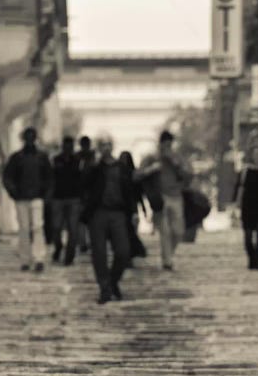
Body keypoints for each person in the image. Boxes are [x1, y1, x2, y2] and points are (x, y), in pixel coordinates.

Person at [81, 133, 137, 304]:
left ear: (112, 146)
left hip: (118, 213)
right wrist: (92, 164)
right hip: (98, 213)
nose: (105, 148)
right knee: (99, 253)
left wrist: (134, 212)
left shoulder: (122, 167)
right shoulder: (95, 167)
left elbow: (130, 191)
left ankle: (113, 281)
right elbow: (83, 184)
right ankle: (104, 287)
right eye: (102, 145)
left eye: (108, 145)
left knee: (123, 251)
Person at [135, 130, 192, 271]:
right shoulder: (151, 158)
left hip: (176, 196)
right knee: (165, 231)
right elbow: (137, 175)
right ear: (160, 144)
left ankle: (168, 255)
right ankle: (167, 261)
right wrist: (151, 169)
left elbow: (189, 175)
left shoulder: (177, 157)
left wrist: (176, 163)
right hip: (159, 198)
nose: (167, 148)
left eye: (169, 145)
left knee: (178, 231)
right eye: (164, 145)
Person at [2, 127, 52, 272]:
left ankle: (38, 258)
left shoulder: (42, 157)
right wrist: (14, 192)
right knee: (24, 228)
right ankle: (25, 259)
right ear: (24, 139)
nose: (30, 140)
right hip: (21, 198)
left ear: (35, 138)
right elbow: (7, 177)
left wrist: (46, 195)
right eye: (27, 137)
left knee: (37, 227)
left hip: (37, 197)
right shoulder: (16, 158)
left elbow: (49, 177)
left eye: (32, 137)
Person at [51, 135, 82, 265]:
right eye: (66, 146)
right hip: (58, 197)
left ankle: (69, 255)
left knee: (73, 228)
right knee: (56, 227)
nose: (68, 149)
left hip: (74, 198)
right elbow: (51, 178)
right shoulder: (55, 160)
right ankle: (58, 246)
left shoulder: (78, 161)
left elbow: (82, 179)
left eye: (70, 147)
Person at [119, 151, 147, 262]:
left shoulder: (133, 175)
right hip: (121, 207)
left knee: (130, 232)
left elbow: (139, 193)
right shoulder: (117, 174)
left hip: (132, 207)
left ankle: (130, 253)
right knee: (125, 232)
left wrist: (143, 208)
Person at [77, 135, 96, 253]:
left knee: (88, 219)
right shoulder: (79, 157)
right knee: (83, 219)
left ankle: (86, 242)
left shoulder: (93, 158)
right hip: (82, 193)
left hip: (89, 193)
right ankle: (83, 242)